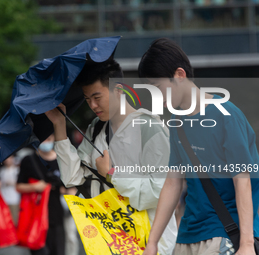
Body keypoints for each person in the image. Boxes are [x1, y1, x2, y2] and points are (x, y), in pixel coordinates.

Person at [139, 38, 259, 255]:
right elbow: (173, 183)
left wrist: (247, 244)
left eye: (157, 87)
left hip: (223, 233)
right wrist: (152, 242)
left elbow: (243, 181)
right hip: (186, 235)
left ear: (179, 75)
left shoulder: (226, 115)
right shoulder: (177, 122)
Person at [45, 59, 177, 255]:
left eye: (97, 97)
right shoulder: (96, 129)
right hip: (109, 239)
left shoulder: (150, 129)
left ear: (118, 90)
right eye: (87, 99)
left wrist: (113, 174)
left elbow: (160, 193)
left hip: (147, 242)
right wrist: (59, 126)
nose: (93, 105)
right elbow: (73, 178)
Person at [16, 134, 65, 255]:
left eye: (48, 139)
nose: (46, 142)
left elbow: (69, 188)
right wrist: (35, 187)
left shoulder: (62, 159)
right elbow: (18, 186)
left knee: (58, 250)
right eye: (43, 139)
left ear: (54, 138)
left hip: (56, 215)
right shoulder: (29, 160)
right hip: (35, 216)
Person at [0, 155, 20, 225]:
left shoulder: (17, 170)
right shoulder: (0, 171)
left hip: (14, 199)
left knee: (14, 220)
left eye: (10, 158)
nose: (8, 160)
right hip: (3, 199)